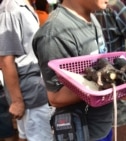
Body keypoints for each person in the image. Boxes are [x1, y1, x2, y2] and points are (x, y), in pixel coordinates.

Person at [32, 0, 114, 141]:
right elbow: (56, 97)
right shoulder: (54, 33)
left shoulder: (92, 17)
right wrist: (115, 86)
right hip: (83, 132)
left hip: (103, 125)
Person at [0, 0, 53, 141]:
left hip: (34, 89)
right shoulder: (11, 8)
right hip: (29, 93)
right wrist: (17, 101)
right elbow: (6, 59)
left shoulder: (24, 5)